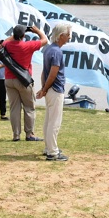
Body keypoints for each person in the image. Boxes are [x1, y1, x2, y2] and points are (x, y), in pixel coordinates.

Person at [2, 24, 48, 142]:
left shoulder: (7, 45)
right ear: (23, 35)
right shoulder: (28, 45)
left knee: (14, 108)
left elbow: (5, 41)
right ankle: (29, 134)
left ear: (14, 34)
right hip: (23, 80)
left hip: (9, 79)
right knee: (29, 107)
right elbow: (45, 40)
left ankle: (16, 135)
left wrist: (15, 35)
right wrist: (37, 31)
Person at [36, 23, 71, 162]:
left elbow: (44, 72)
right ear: (61, 35)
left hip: (50, 89)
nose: (69, 37)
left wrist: (43, 88)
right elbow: (53, 73)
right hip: (55, 90)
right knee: (54, 122)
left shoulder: (48, 49)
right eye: (68, 35)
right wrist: (44, 89)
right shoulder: (57, 51)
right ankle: (53, 152)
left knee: (49, 120)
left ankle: (48, 148)